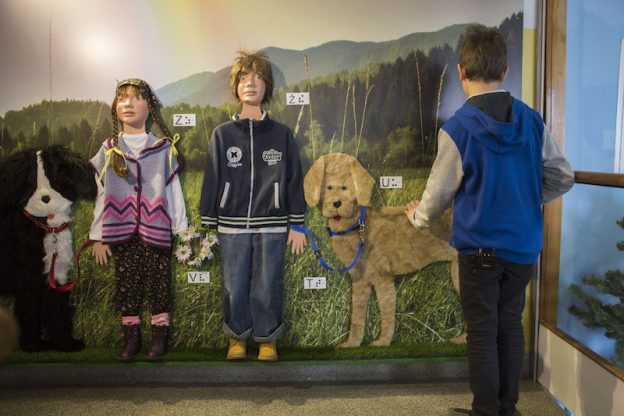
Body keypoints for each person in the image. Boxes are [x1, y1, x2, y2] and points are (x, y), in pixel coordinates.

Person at [405, 24, 574, 416]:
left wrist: (417, 216)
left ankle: (486, 411)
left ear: (461, 72)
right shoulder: (532, 120)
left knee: (481, 331)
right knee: (510, 325)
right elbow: (563, 176)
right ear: (506, 70)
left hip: (479, 251)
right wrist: (529, 200)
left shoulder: (458, 128)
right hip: (523, 248)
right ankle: (506, 409)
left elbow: (436, 197)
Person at [199, 51, 307, 362]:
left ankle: (267, 339)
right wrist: (209, 226)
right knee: (233, 284)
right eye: (244, 78)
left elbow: (293, 181)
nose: (251, 83)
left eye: (258, 78)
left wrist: (297, 224)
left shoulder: (281, 134)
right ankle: (237, 338)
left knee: (267, 283)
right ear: (235, 87)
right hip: (230, 225)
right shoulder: (222, 135)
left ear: (267, 87)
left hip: (272, 224)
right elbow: (213, 179)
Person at [89, 79, 188, 361]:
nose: (128, 104)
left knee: (159, 282)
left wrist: (181, 230)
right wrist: (97, 236)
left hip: (156, 229)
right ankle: (131, 337)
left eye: (136, 98)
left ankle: (160, 336)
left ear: (150, 107)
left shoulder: (162, 148)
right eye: (122, 99)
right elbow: (101, 194)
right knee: (127, 283)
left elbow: (173, 191)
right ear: (115, 108)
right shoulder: (109, 148)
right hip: (120, 231)